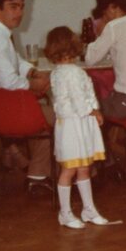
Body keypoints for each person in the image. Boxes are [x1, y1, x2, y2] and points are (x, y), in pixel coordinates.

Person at [0, 0, 53, 192]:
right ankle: (41, 176)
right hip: (8, 111)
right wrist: (35, 84)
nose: (20, 13)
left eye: (22, 7)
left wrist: (31, 72)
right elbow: (9, 82)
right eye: (13, 7)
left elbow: (15, 60)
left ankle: (29, 166)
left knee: (43, 113)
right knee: (62, 114)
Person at [45, 26, 108, 229]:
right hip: (75, 124)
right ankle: (65, 213)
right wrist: (94, 112)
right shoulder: (73, 72)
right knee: (70, 168)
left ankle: (88, 209)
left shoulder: (57, 72)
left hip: (76, 123)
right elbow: (79, 99)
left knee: (83, 167)